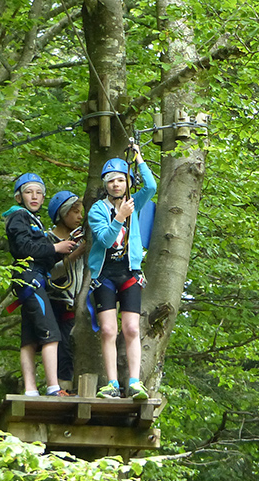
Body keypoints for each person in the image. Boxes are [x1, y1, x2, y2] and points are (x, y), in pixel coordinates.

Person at [87, 143, 157, 400]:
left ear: (127, 182)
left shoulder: (133, 203)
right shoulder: (98, 209)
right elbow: (104, 241)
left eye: (120, 180)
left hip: (130, 273)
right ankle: (112, 383)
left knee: (131, 328)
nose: (116, 185)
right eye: (111, 181)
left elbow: (151, 187)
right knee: (108, 330)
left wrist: (139, 160)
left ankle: (135, 381)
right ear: (105, 185)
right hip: (104, 274)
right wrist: (119, 218)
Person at [2, 173, 77, 397]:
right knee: (51, 333)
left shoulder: (33, 220)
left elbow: (41, 256)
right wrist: (55, 248)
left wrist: (68, 249)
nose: (34, 197)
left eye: (38, 193)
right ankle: (54, 388)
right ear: (19, 197)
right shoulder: (19, 217)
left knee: (30, 338)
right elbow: (23, 248)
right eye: (28, 192)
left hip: (32, 279)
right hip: (30, 279)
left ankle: (30, 390)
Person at [46, 191, 86, 392]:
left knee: (69, 345)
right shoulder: (48, 239)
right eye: (75, 212)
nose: (80, 216)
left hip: (74, 300)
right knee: (55, 342)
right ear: (62, 214)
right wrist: (75, 254)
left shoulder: (81, 238)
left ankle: (67, 385)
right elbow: (50, 273)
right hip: (54, 299)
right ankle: (56, 386)